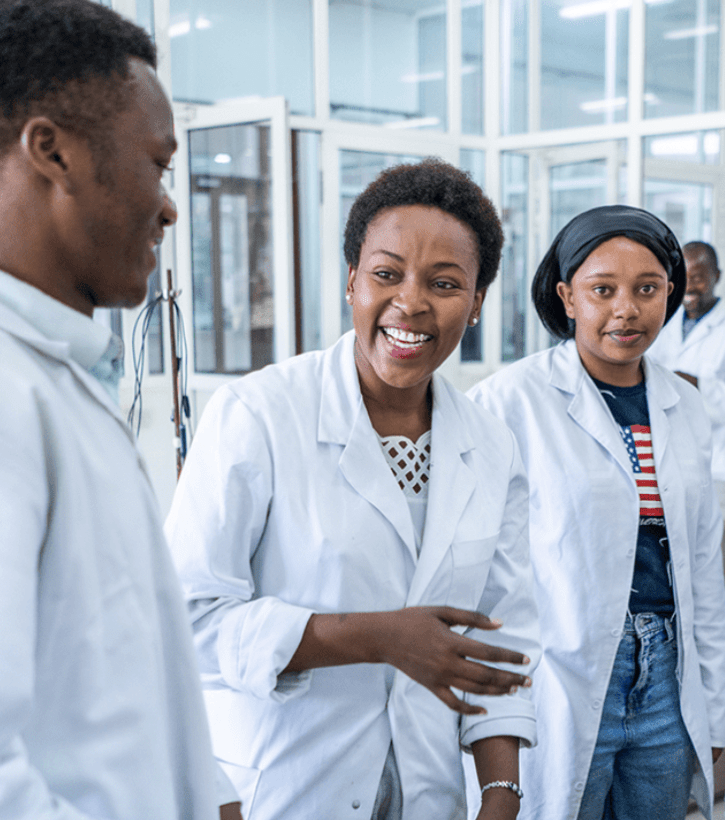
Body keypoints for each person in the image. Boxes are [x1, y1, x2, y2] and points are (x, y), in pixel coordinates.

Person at [166, 159, 540, 820]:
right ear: (352, 282)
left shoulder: (491, 443)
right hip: (287, 785)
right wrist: (376, 638)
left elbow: (502, 639)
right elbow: (187, 619)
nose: (412, 302)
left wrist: (500, 795)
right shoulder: (258, 415)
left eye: (445, 283)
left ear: (478, 303)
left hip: (429, 790)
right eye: (387, 273)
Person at [0, 1, 241, 817]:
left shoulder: (61, 375)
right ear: (52, 152)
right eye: (158, 164)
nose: (170, 207)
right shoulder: (10, 394)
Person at [469, 205, 725, 820]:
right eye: (602, 290)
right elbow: (481, 569)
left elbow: (699, 565)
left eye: (647, 289)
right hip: (561, 665)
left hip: (668, 668)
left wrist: (714, 708)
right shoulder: (509, 403)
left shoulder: (684, 404)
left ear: (672, 292)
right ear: (567, 297)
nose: (626, 309)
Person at [647, 241, 725, 524]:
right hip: (665, 466)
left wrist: (698, 386)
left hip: (717, 471)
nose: (689, 287)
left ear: (717, 277)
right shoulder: (662, 324)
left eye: (699, 278)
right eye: (683, 278)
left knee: (715, 557)